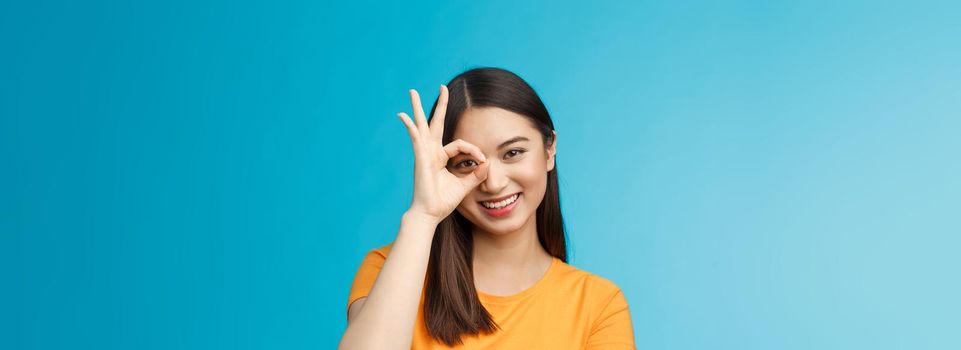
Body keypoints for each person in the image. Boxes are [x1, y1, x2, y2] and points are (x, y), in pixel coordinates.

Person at [338, 67, 635, 349]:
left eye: (513, 153)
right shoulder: (387, 268)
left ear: (549, 150)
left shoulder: (598, 304)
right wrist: (423, 216)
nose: (492, 183)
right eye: (467, 163)